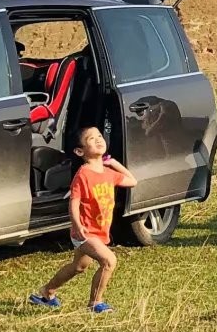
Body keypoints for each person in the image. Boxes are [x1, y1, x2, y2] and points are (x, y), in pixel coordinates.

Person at [29, 127, 137, 314]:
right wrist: (77, 226)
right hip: (85, 232)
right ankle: (95, 303)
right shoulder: (83, 174)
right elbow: (74, 202)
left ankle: (47, 292)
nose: (98, 140)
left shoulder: (108, 173)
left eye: (100, 136)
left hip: (99, 231)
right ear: (80, 151)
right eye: (91, 139)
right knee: (109, 261)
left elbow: (132, 180)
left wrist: (114, 162)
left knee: (78, 267)